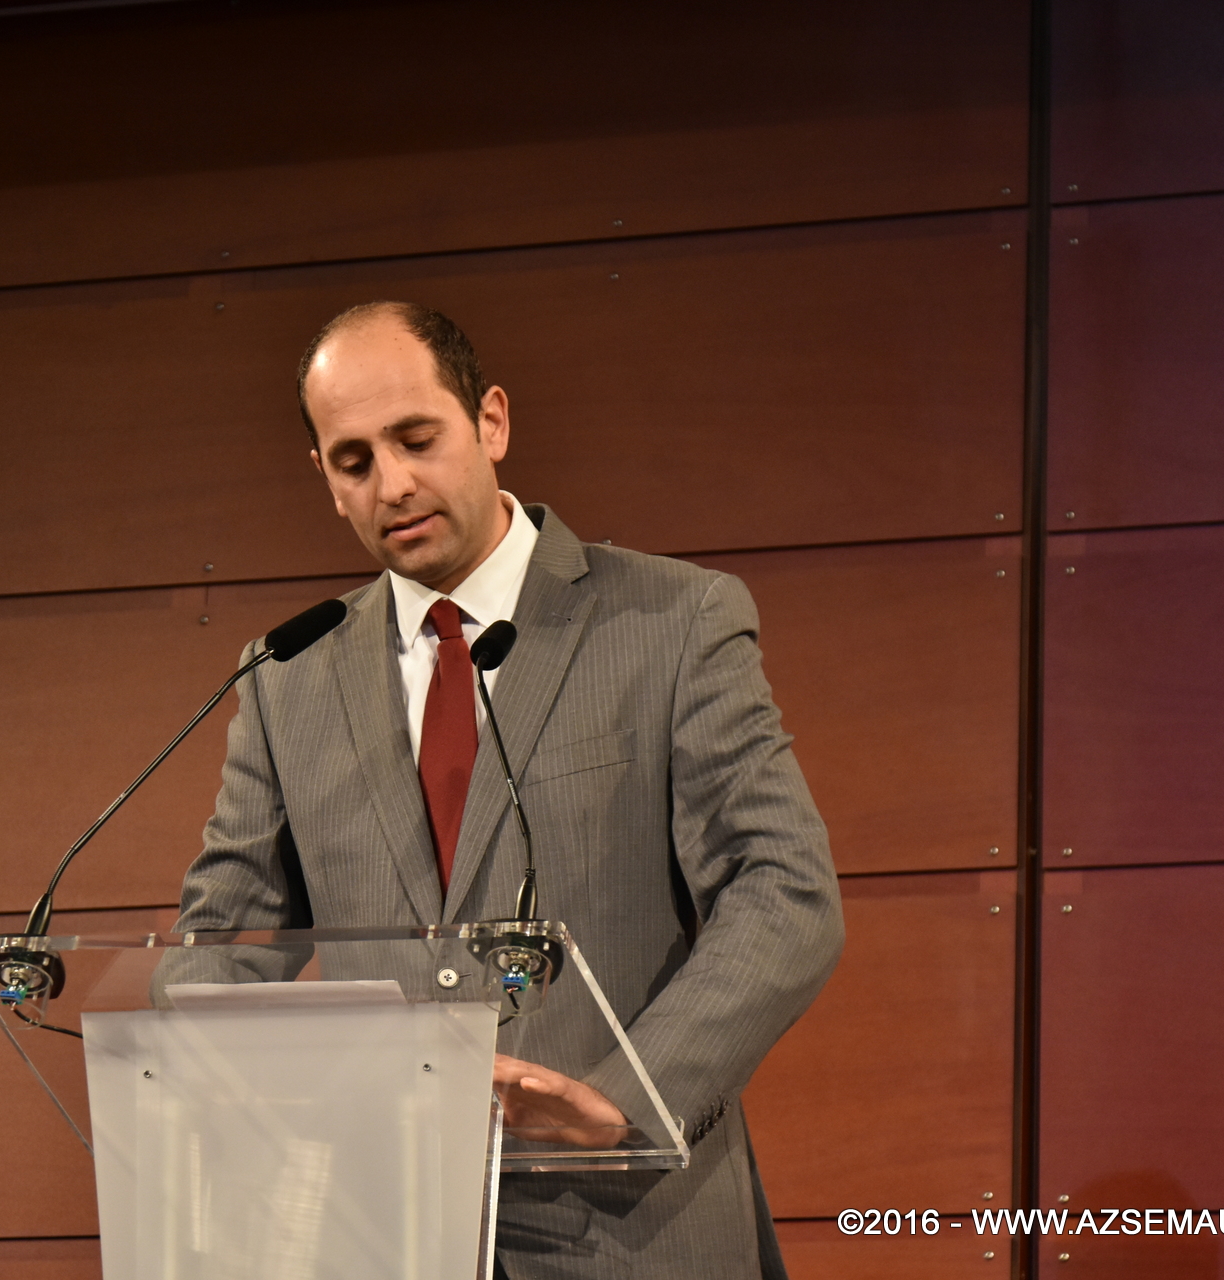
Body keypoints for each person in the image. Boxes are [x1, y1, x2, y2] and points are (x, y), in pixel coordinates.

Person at [173, 301, 843, 1278]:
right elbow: (219, 946)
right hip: (391, 1233)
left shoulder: (672, 621)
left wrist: (624, 1100)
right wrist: (264, 1091)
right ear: (326, 478)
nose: (393, 483)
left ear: (490, 422)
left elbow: (785, 889)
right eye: (354, 460)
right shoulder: (287, 678)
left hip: (630, 1228)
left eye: (416, 439)